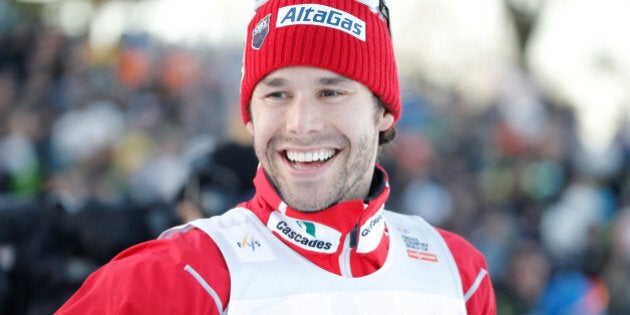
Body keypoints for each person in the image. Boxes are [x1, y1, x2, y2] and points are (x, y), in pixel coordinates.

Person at [56, 0, 496, 313]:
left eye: (331, 91)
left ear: (383, 110)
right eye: (277, 94)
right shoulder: (185, 274)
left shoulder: (458, 274)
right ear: (249, 115)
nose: (301, 124)